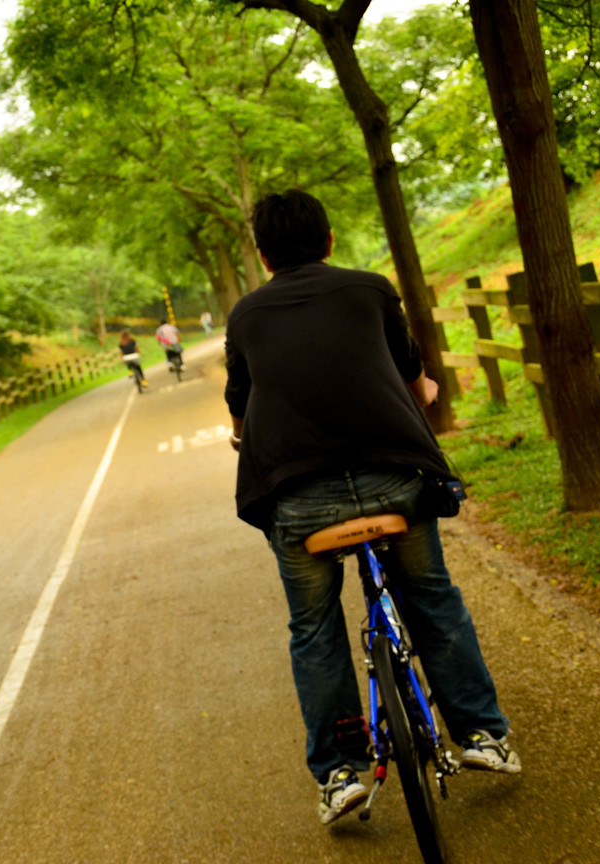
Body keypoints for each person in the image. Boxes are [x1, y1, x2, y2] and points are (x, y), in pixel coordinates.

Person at [224, 189, 519, 827]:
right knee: (433, 600)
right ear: (329, 240)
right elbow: (412, 374)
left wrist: (243, 434)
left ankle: (337, 775)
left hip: (300, 504)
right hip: (394, 483)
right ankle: (482, 737)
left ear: (263, 254)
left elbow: (241, 407)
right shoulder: (370, 290)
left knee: (314, 629)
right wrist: (427, 394)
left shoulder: (245, 315)